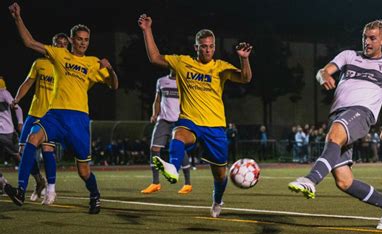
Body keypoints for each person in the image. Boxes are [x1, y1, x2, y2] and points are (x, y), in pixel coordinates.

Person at [287, 20, 382, 230]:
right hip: (338, 115)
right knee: (344, 181)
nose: (367, 42)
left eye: (372, 38)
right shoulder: (348, 56)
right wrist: (324, 75)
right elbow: (322, 71)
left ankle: (311, 180)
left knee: (334, 136)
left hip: (362, 114)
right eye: (365, 37)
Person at [5, 2, 118, 214]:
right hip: (55, 114)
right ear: (72, 40)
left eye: (86, 40)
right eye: (80, 39)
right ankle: (21, 190)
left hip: (78, 120)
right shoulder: (59, 55)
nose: (83, 43)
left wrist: (110, 70)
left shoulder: (94, 63)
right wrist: (18, 18)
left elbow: (114, 86)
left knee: (83, 171)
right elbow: (29, 42)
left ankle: (95, 195)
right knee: (31, 138)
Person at [138, 14, 252, 218]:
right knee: (178, 135)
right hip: (190, 121)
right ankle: (173, 168)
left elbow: (245, 78)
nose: (207, 49)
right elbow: (155, 58)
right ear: (196, 47)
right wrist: (147, 30)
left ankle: (217, 201)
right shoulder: (183, 63)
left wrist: (244, 59)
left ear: (214, 47)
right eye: (203, 46)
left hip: (215, 126)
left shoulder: (220, 68)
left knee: (219, 174)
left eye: (210, 46)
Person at [12, 33, 69, 204]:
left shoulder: (66, 66)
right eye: (58, 43)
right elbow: (28, 82)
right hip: (34, 112)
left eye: (64, 44)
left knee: (47, 150)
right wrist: (17, 99)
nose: (60, 46)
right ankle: (39, 180)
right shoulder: (40, 63)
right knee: (22, 152)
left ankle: (51, 189)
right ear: (52, 45)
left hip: (50, 116)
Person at [141, 70, 192, 195]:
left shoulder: (184, 81)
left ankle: (187, 183)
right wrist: (154, 114)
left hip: (179, 121)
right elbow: (157, 100)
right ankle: (155, 183)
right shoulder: (161, 81)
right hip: (163, 120)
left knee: (181, 150)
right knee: (154, 148)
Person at [0, 76, 23, 170]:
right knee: (17, 155)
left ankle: (37, 176)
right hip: (6, 131)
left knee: (18, 155)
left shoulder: (3, 93)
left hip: (6, 132)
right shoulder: (4, 92)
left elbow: (17, 108)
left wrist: (20, 122)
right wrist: (20, 122)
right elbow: (18, 108)